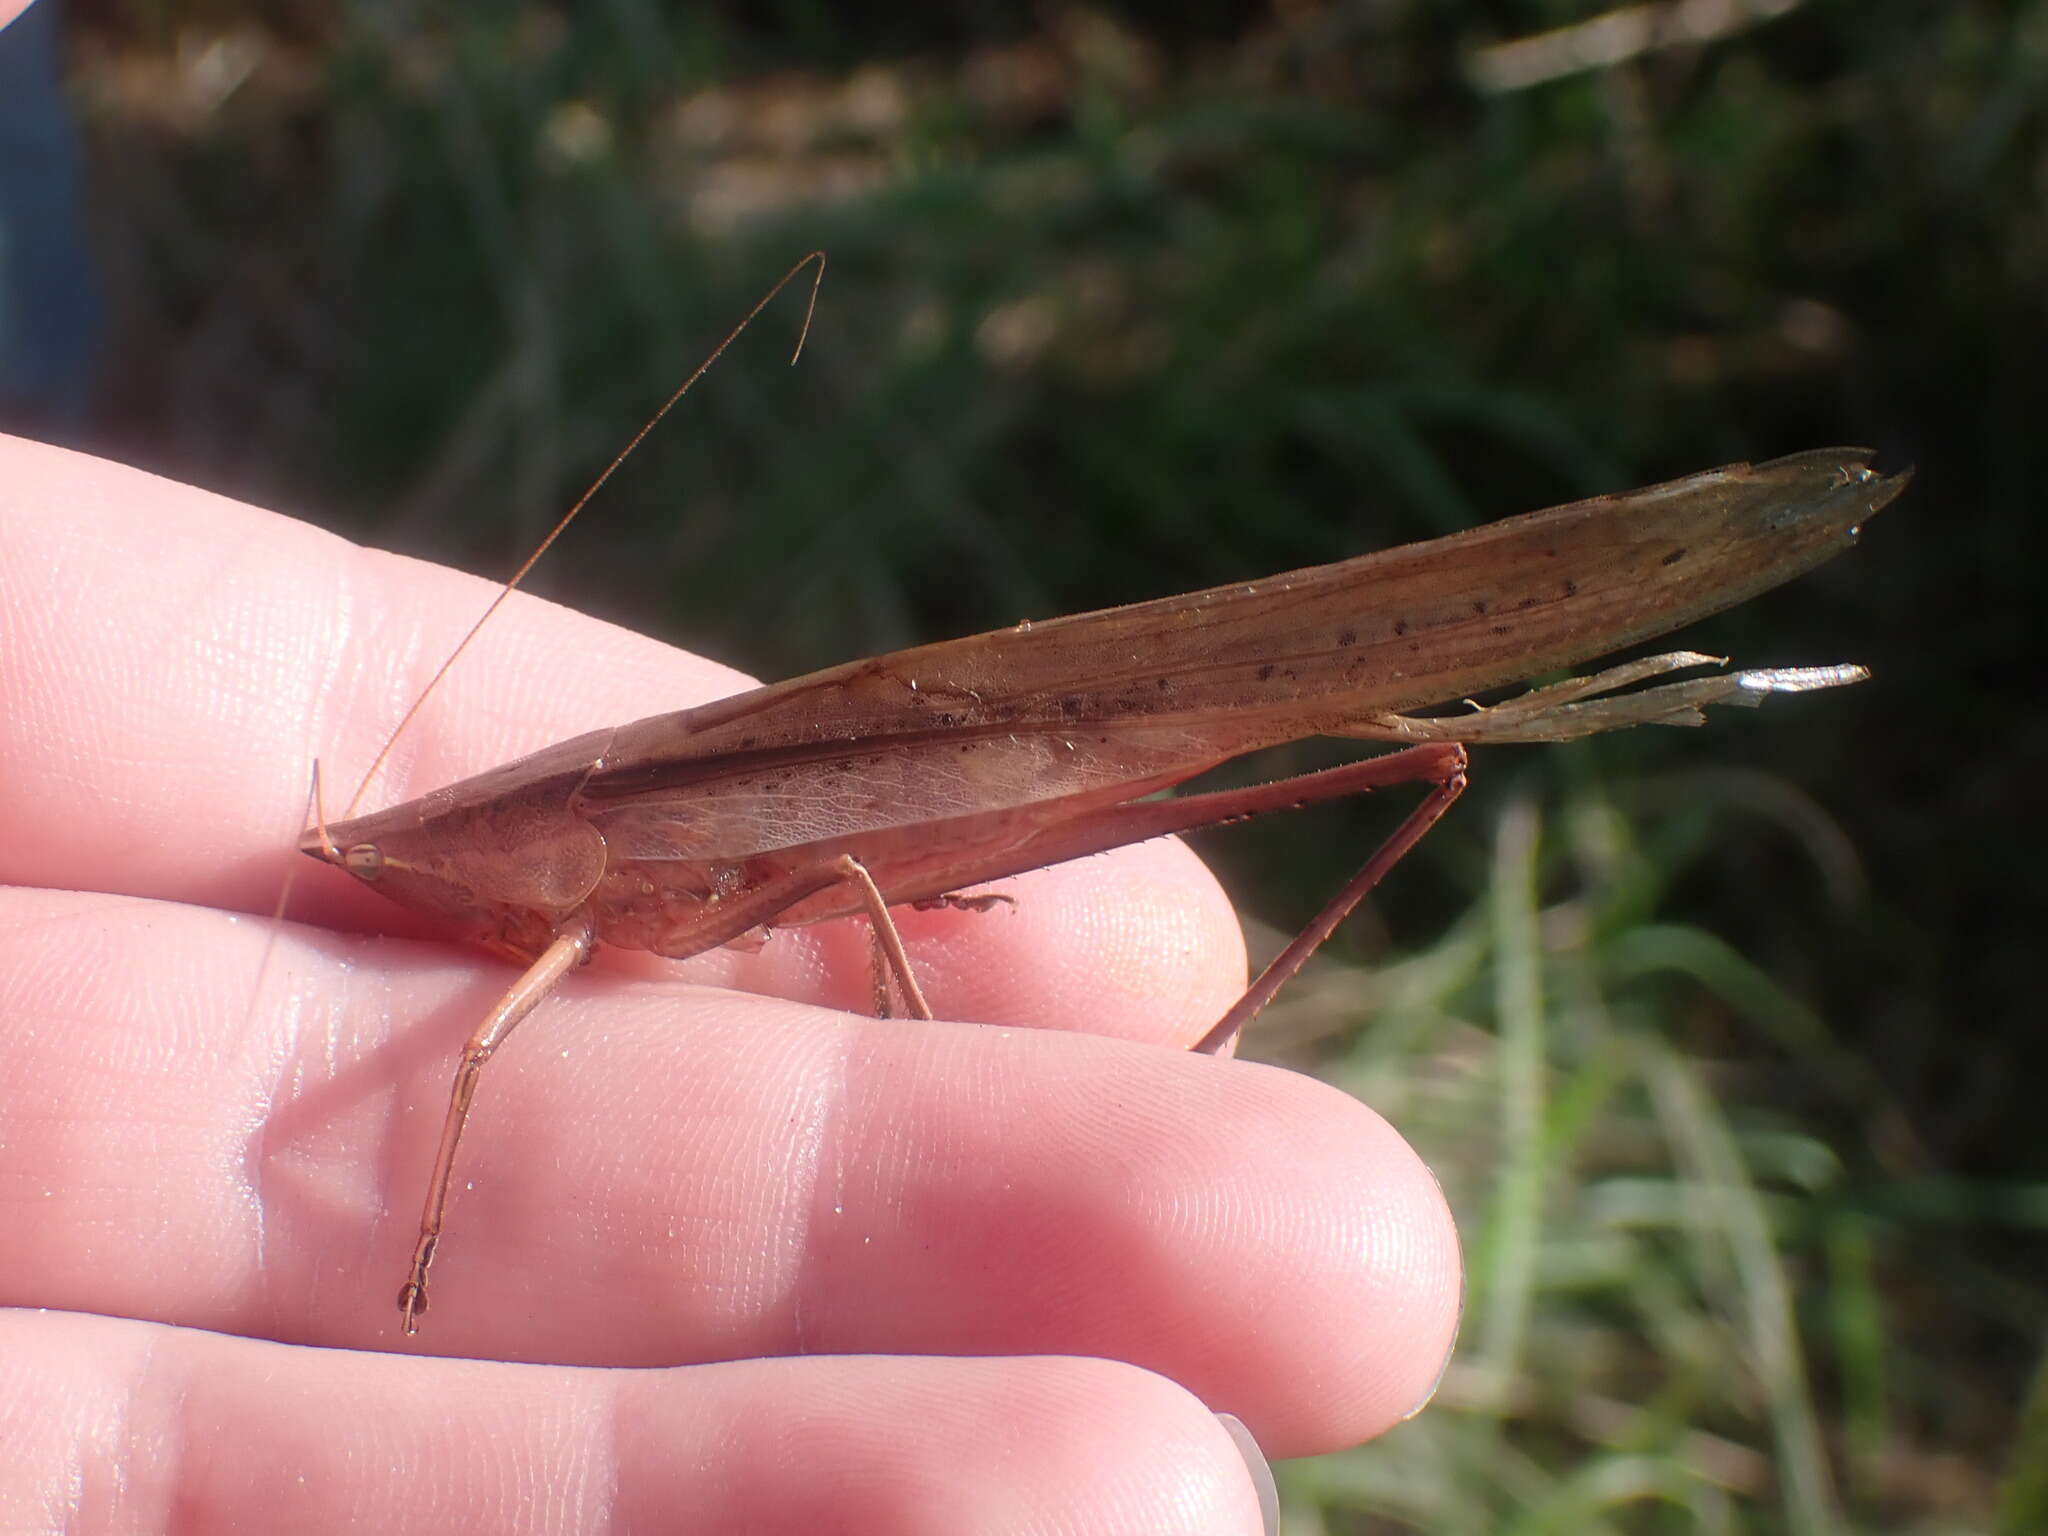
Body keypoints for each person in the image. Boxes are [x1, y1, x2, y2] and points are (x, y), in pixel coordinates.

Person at [0, 432, 1460, 1530]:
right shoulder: (478, 879)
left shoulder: (568, 868)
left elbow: (808, 888)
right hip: (817, 838)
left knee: (1242, 785)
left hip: (882, 798)